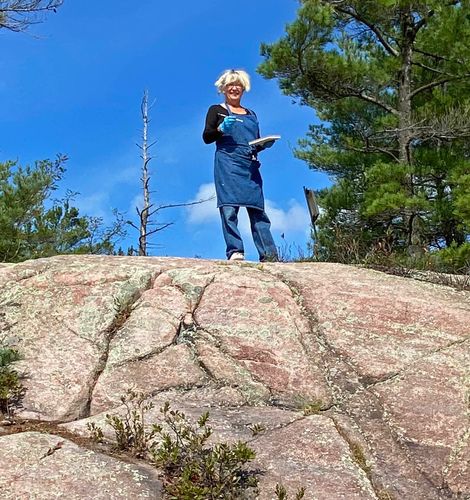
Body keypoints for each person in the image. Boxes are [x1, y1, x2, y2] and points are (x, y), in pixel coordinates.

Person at [203, 69, 278, 262]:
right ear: (223, 88)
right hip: (227, 163)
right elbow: (207, 137)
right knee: (229, 209)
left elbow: (253, 141)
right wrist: (220, 129)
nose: (234, 88)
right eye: (230, 85)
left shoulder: (251, 113)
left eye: (238, 85)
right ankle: (235, 251)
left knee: (258, 211)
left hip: (249, 165)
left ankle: (269, 256)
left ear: (244, 88)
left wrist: (263, 145)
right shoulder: (216, 110)